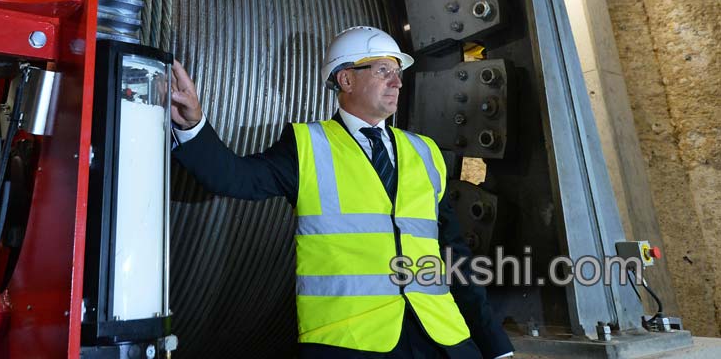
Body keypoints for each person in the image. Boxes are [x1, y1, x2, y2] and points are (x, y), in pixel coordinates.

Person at [170, 26, 514, 359]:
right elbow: (235, 179)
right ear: (346, 79)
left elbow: (454, 254)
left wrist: (491, 339)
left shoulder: (426, 153)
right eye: (383, 70)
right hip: (349, 341)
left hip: (442, 337)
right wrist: (192, 125)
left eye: (398, 72)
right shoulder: (306, 147)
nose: (396, 81)